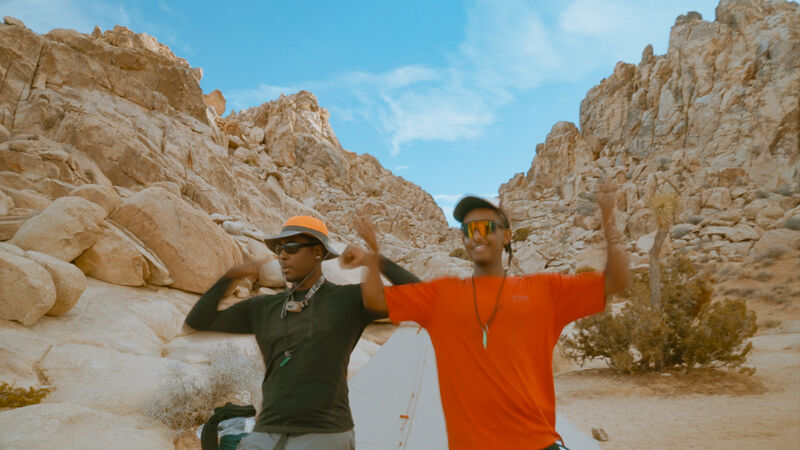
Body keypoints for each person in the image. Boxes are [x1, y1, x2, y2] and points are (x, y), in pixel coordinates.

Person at [359, 182, 631, 450]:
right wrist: (372, 255)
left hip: (536, 443)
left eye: (486, 227)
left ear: (507, 236)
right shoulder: (440, 295)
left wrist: (609, 219)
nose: (476, 236)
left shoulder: (545, 290)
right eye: (468, 229)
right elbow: (374, 300)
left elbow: (616, 281)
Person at [185, 215, 419, 450]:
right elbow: (199, 320)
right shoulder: (263, 307)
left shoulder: (348, 300)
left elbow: (420, 296)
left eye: (292, 248)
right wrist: (230, 277)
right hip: (267, 431)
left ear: (317, 252)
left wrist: (375, 260)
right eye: (279, 250)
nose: (283, 255)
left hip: (323, 432)